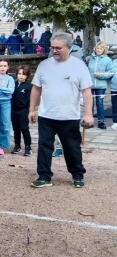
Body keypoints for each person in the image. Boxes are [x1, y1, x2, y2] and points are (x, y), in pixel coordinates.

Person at [29, 32, 93, 188]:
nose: (54, 50)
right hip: (46, 115)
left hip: (69, 116)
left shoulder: (79, 66)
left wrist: (89, 114)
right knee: (44, 146)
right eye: (52, 47)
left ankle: (77, 175)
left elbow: (86, 91)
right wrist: (32, 110)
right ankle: (44, 176)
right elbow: (36, 88)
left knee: (72, 147)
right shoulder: (44, 65)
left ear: (69, 47)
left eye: (58, 48)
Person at [86, 41, 115, 130]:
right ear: (95, 48)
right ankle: (89, 121)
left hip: (101, 86)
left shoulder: (107, 60)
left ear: (104, 50)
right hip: (89, 85)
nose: (99, 50)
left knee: (100, 103)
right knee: (89, 104)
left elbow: (111, 72)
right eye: (98, 48)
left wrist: (101, 75)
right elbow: (84, 70)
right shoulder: (89, 58)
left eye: (101, 48)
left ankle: (101, 121)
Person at [0, 60, 15, 155]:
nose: (2, 67)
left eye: (5, 66)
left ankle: (1, 145)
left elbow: (10, 91)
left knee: (5, 124)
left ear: (8, 67)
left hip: (5, 103)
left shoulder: (10, 79)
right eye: (1, 65)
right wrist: (3, 90)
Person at [11, 66, 32, 156]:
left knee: (24, 128)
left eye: (24, 74)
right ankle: (17, 145)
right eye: (19, 74)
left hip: (23, 110)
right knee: (16, 129)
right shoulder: (13, 84)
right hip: (13, 110)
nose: (21, 76)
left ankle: (28, 146)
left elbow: (30, 99)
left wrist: (29, 111)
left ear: (27, 76)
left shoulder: (29, 86)